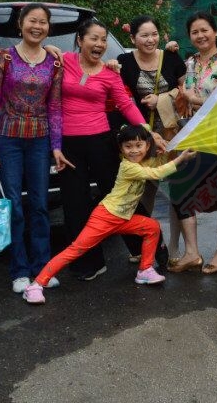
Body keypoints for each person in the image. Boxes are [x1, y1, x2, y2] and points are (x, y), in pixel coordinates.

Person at [23, 125, 197, 303]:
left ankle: (145, 270)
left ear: (147, 146)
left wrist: (172, 151)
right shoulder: (128, 166)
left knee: (152, 227)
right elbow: (156, 172)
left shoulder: (142, 162)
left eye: (139, 145)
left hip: (122, 219)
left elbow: (158, 163)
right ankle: (35, 285)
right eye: (128, 147)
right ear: (121, 149)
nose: (134, 150)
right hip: (105, 217)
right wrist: (179, 158)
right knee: (74, 251)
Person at [59, 18, 163, 281]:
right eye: (94, 38)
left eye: (103, 39)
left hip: (101, 141)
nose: (100, 44)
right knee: (75, 203)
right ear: (80, 40)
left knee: (120, 197)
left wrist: (148, 131)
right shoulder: (64, 61)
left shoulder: (109, 74)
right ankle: (89, 262)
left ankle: (149, 251)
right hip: (69, 145)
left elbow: (126, 105)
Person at [0, 3, 67, 294]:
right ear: (21, 24)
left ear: (48, 27)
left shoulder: (54, 63)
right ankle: (19, 270)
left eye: (43, 22)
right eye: (32, 20)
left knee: (40, 205)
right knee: (14, 206)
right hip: (7, 140)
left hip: (40, 140)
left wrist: (56, 146)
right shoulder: (3, 58)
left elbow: (55, 106)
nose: (37, 26)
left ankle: (42, 268)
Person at [167, 11, 217, 275]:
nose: (200, 36)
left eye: (204, 30)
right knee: (180, 189)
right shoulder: (190, 63)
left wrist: (192, 99)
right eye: (195, 32)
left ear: (215, 32)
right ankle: (192, 252)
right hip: (194, 135)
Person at [117, 15, 187, 260]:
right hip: (140, 138)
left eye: (154, 34)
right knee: (142, 189)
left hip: (170, 134)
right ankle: (146, 244)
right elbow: (119, 95)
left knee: (176, 190)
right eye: (144, 35)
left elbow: (185, 92)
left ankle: (176, 247)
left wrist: (163, 99)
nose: (150, 39)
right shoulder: (123, 61)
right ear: (133, 38)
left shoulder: (171, 58)